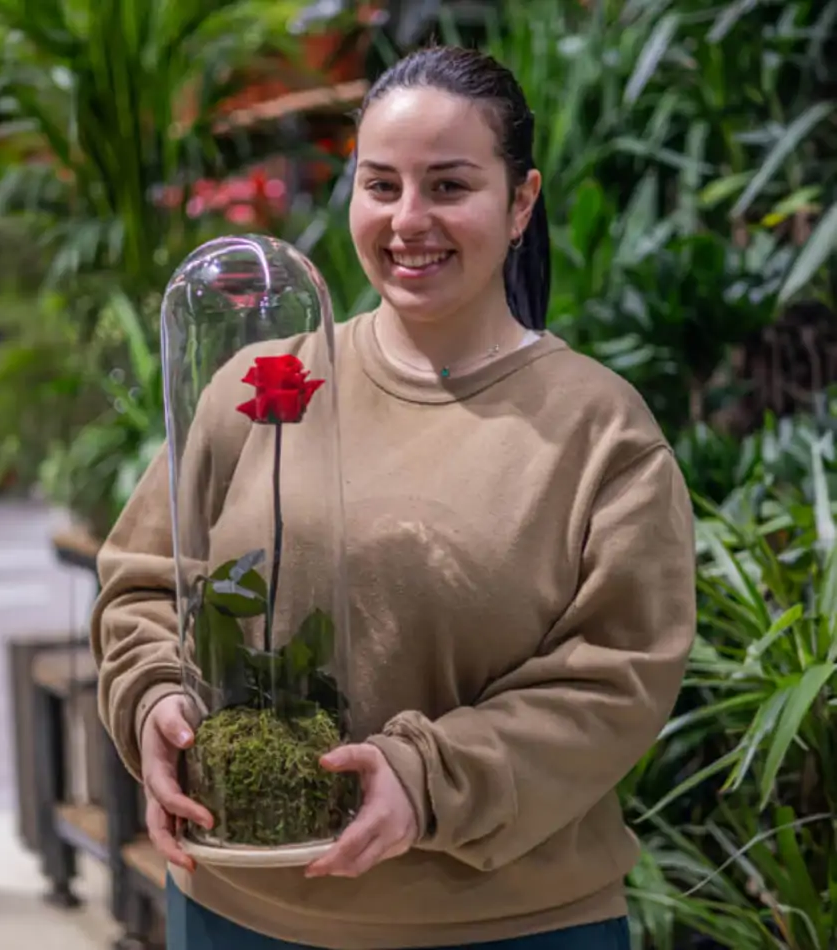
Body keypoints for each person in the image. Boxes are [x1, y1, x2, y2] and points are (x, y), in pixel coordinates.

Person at [91, 45, 697, 950]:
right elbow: (143, 583)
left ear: (521, 200)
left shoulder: (598, 431)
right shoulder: (261, 384)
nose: (409, 220)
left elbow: (619, 675)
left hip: (501, 926)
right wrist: (150, 702)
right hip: (236, 911)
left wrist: (425, 779)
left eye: (449, 186)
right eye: (381, 186)